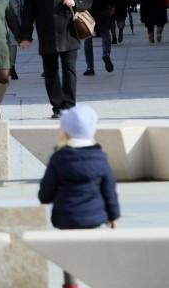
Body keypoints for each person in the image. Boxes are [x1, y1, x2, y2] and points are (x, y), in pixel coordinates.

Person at [38, 105, 120, 288]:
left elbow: (45, 193)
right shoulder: (100, 158)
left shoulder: (58, 159)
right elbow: (109, 189)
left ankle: (71, 284)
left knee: (70, 256)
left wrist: (46, 197)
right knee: (93, 255)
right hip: (94, 218)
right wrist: (113, 215)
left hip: (66, 218)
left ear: (64, 133)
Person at [19, 0, 93, 119]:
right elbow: (28, 11)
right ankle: (57, 107)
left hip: (69, 32)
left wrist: (75, 1)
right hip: (47, 34)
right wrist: (25, 36)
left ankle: (69, 106)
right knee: (50, 73)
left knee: (69, 71)